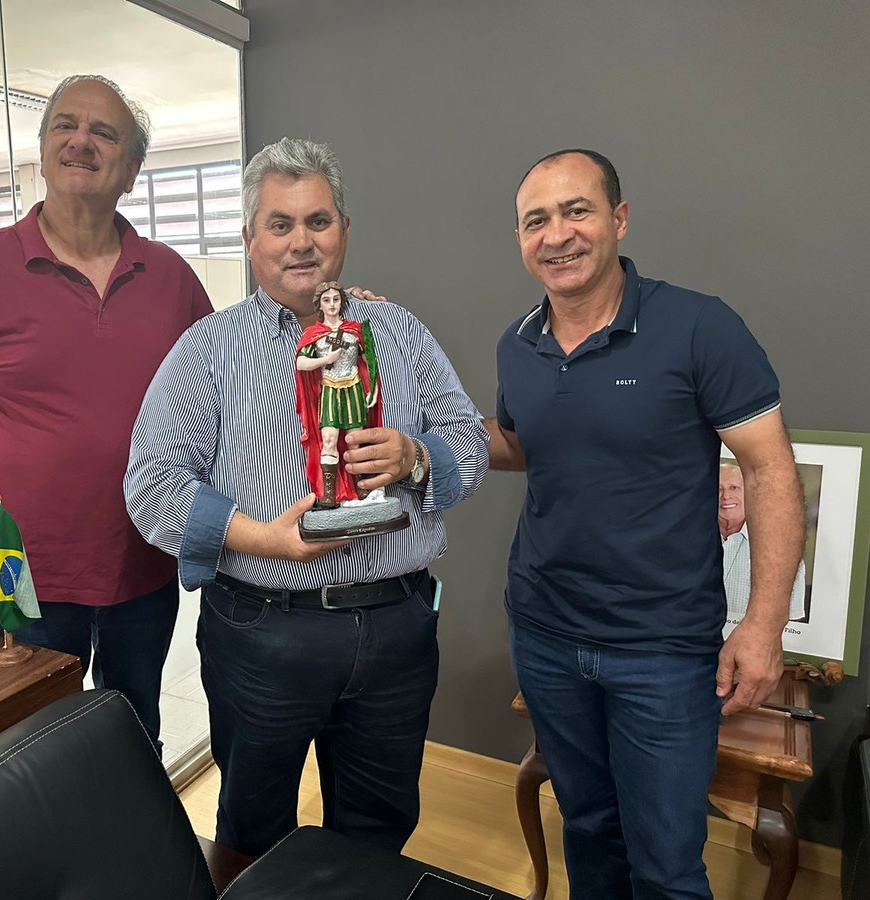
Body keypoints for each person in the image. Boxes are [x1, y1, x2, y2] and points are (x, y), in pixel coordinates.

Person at [125, 137, 489, 857]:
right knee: (253, 833)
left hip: (395, 628)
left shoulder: (399, 332)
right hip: (262, 633)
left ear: (344, 231)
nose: (302, 242)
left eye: (318, 221)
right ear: (250, 239)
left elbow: (469, 439)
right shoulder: (207, 350)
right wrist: (266, 538)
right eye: (281, 224)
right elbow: (152, 483)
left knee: (378, 832)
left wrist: (416, 457)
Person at [486, 148, 805, 899]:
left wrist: (763, 625)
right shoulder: (518, 343)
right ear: (520, 238)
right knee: (589, 828)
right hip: (545, 633)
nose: (557, 235)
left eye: (577, 211)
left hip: (662, 649)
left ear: (619, 218)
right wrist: (422, 441)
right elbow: (523, 444)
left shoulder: (698, 326)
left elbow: (769, 470)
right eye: (536, 221)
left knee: (666, 865)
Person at [0, 74, 213, 752]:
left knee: (134, 736)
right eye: (65, 126)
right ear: (44, 151)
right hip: (17, 571)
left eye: (104, 133)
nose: (81, 141)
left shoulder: (171, 278)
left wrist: (331, 326)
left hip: (143, 561)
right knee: (30, 754)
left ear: (131, 170)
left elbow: (228, 393)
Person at [295, 281, 382, 507]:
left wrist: (372, 388)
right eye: (326, 300)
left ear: (342, 301)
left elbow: (368, 361)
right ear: (320, 305)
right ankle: (329, 494)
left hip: (353, 388)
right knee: (329, 439)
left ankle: (361, 487)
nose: (332, 304)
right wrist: (326, 359)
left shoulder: (354, 331)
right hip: (329, 390)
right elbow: (301, 363)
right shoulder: (315, 334)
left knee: (355, 440)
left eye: (335, 299)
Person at [720, 462, 806, 622]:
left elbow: (793, 621)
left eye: (734, 487)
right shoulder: (687, 538)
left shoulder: (783, 548)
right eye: (718, 489)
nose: (725, 496)